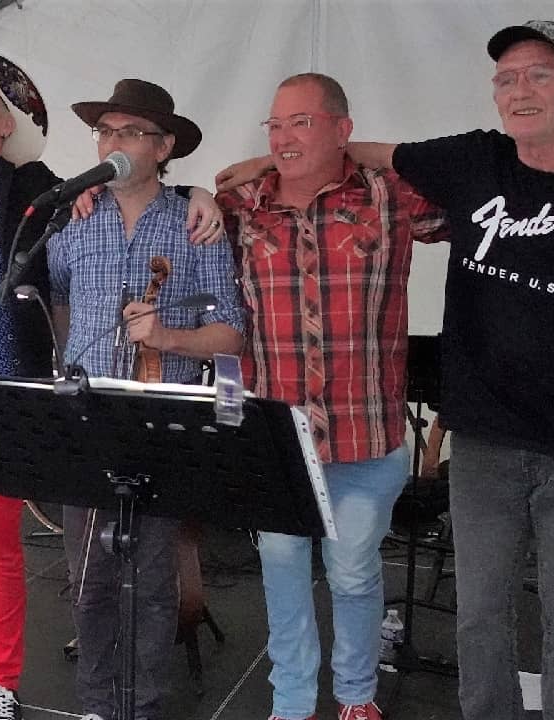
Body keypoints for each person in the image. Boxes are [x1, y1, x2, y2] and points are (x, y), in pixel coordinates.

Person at [347, 21, 554, 720]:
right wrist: (261, 163)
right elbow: (354, 151)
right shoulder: (476, 161)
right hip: (484, 443)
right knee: (478, 617)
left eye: (541, 73)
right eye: (506, 77)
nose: (520, 89)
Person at [0, 50, 224, 720]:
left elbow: (126, 188)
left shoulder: (35, 186)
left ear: (8, 123)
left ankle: (4, 677)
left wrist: (201, 192)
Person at [214, 73, 450, 720]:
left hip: (364, 433)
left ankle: (355, 694)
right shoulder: (240, 203)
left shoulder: (392, 195)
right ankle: (290, 701)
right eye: (276, 125)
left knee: (352, 569)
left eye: (303, 122)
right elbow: (213, 187)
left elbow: (473, 197)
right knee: (282, 571)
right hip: (277, 435)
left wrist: (358, 152)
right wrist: (282, 154)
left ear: (344, 128)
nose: (286, 137)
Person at [48, 79, 245, 720]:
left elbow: (232, 331)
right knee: (87, 578)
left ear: (163, 147)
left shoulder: (196, 221)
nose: (113, 142)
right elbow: (58, 298)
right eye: (105, 131)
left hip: (166, 416)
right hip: (89, 413)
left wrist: (166, 336)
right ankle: (98, 705)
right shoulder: (75, 217)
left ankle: (148, 705)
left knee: (154, 577)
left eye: (130, 132)